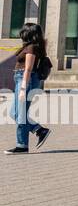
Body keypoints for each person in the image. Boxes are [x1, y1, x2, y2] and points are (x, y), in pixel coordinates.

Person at [7, 22, 52, 155]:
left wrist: (22, 89)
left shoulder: (32, 48)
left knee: (20, 114)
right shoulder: (30, 46)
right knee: (14, 113)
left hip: (26, 80)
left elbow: (28, 68)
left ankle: (22, 145)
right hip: (21, 79)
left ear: (28, 33)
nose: (21, 33)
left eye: (23, 31)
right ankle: (39, 130)